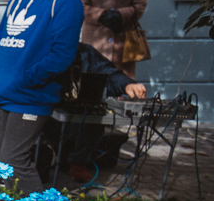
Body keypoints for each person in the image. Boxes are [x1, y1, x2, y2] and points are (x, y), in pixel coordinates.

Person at [0, 0, 83, 196]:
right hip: (5, 91)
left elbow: (62, 55)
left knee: (14, 162)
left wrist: (27, 78)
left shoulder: (65, 0)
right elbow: (0, 41)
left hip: (30, 95)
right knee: (3, 164)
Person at [44, 43, 147, 183]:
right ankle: (42, 157)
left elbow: (109, 73)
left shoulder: (85, 52)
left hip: (76, 115)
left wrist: (127, 84)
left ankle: (78, 161)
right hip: (44, 113)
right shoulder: (40, 47)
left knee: (95, 112)